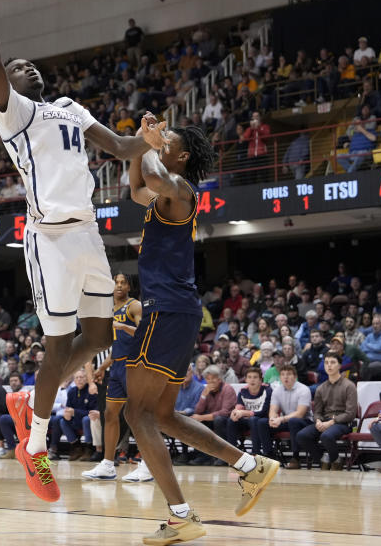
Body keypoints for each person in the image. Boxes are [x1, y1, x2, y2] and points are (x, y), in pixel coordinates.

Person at [0, 0, 156, 503]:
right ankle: (34, 444)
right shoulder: (15, 113)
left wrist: (148, 141)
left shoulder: (69, 106)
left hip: (88, 231)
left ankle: (29, 399)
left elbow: (118, 146)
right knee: (59, 342)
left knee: (101, 337)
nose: (26, 67)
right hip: (50, 238)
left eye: (29, 64)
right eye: (18, 68)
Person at [124, 117, 277, 544]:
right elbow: (137, 187)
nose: (160, 142)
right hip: (177, 312)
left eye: (166, 140)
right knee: (163, 415)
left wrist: (146, 147)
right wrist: (141, 143)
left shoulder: (181, 189)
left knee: (135, 413)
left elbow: (152, 175)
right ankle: (250, 466)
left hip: (167, 311)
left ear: (182, 155)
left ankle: (180, 516)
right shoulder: (162, 195)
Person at [84, 273, 142, 481]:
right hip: (116, 367)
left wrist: (124, 326)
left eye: (123, 283)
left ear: (129, 287)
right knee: (110, 414)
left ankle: (148, 465)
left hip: (133, 366)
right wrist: (102, 368)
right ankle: (108, 464)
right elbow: (117, 346)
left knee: (138, 416)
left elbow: (145, 334)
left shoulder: (134, 306)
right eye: (116, 283)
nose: (118, 286)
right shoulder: (109, 310)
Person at [296, 352, 358, 470]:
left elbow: (350, 413)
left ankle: (336, 460)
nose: (329, 365)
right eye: (326, 363)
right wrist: (318, 420)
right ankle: (323, 459)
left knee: (326, 436)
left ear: (340, 366)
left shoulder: (349, 386)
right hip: (324, 421)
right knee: (302, 435)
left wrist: (331, 422)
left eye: (333, 363)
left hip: (342, 423)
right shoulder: (320, 388)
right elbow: (317, 411)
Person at [266, 365, 313, 470]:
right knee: (262, 423)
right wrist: (272, 419)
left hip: (305, 422)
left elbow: (300, 413)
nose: (285, 377)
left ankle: (295, 458)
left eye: (288, 374)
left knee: (294, 421)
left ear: (295, 377)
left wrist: (281, 419)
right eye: (283, 375)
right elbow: (273, 410)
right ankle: (268, 456)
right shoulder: (277, 390)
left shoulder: (304, 389)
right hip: (287, 421)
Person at [222, 367, 273, 457]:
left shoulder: (267, 390)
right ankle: (232, 454)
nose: (252, 380)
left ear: (260, 379)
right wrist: (235, 413)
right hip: (248, 419)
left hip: (262, 419)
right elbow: (239, 406)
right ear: (245, 379)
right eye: (249, 377)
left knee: (253, 419)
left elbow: (263, 411)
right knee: (231, 420)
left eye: (255, 377)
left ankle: (255, 452)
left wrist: (244, 413)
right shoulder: (243, 391)